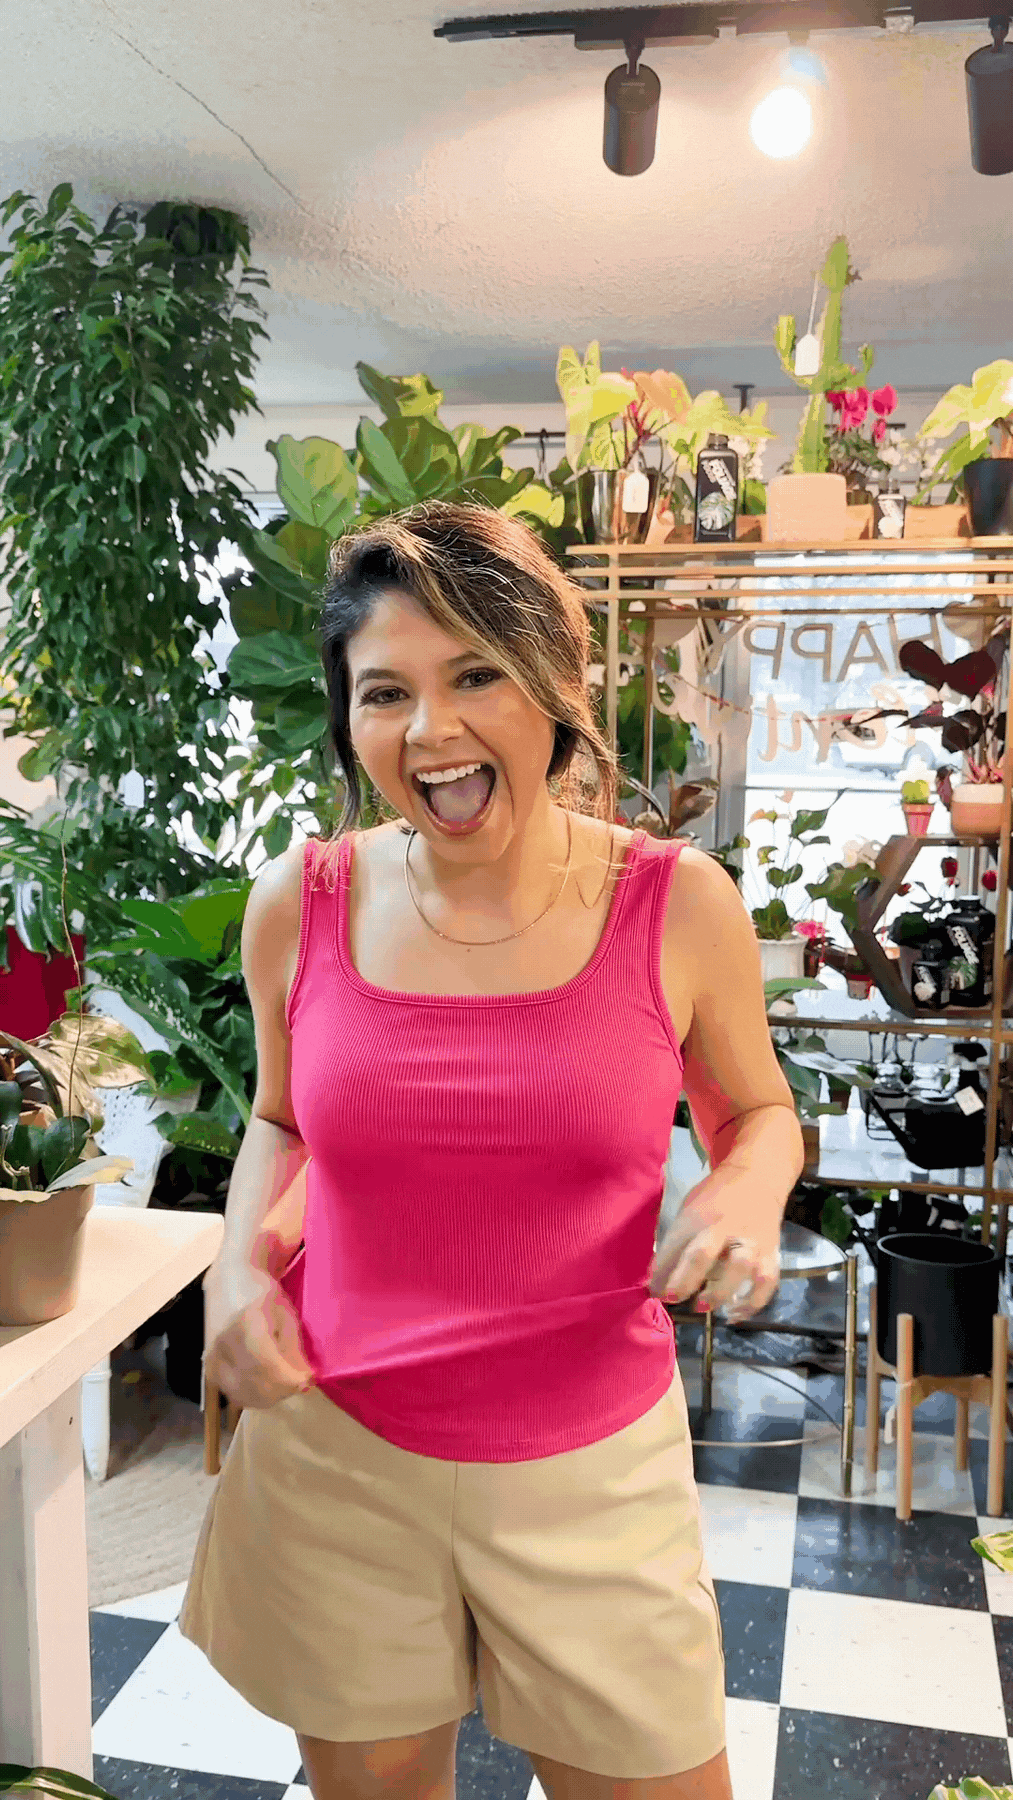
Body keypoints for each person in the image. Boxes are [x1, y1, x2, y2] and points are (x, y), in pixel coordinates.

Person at [179, 500, 803, 1800]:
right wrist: (236, 1271)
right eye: (386, 692)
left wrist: (747, 1188)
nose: (432, 730)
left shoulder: (674, 905)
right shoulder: (303, 902)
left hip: (594, 1470)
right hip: (338, 1451)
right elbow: (283, 1122)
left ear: (556, 685)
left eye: (476, 676)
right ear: (348, 718)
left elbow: (758, 1116)